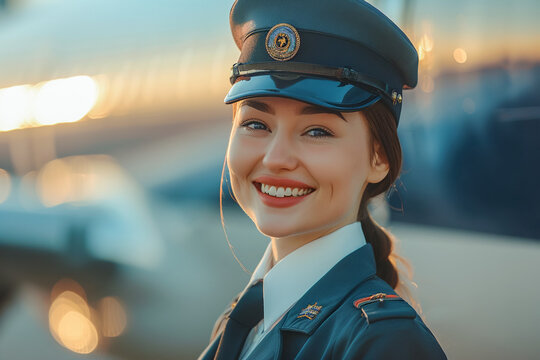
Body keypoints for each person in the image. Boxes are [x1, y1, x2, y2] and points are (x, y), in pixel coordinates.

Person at [199, 0, 447, 359]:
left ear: (379, 158)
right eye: (256, 124)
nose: (275, 159)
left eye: (317, 132)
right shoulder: (246, 317)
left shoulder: (385, 343)